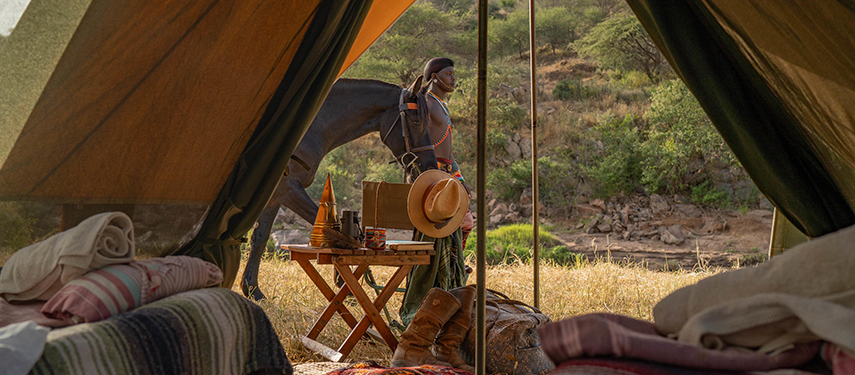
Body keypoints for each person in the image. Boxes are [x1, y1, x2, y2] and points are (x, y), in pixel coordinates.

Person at [421, 57, 474, 247]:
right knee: (456, 221)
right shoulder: (426, 104)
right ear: (434, 77)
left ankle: (453, 265)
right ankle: (449, 265)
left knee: (464, 221)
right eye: (448, 74)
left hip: (447, 170)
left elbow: (449, 153)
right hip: (433, 172)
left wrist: (460, 179)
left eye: (454, 74)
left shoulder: (441, 105)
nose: (453, 78)